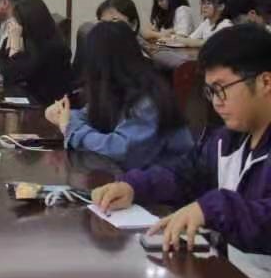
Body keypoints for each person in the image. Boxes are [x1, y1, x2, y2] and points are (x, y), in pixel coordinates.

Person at [91, 25, 271, 254]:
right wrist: (133, 186)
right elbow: (182, 176)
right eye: (210, 91)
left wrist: (213, 209)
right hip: (225, 266)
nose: (216, 102)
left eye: (221, 88)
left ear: (265, 82)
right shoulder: (226, 139)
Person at [46, 21, 193, 170]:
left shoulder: (147, 100)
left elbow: (119, 151)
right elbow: (88, 115)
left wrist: (71, 128)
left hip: (171, 180)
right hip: (140, 176)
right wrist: (64, 116)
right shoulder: (117, 89)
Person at [0, 0, 72, 104]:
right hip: (31, 97)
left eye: (17, 22)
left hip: (44, 105)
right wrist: (10, 41)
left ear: (27, 23)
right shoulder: (30, 40)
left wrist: (15, 46)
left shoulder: (50, 48)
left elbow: (11, 75)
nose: (15, 26)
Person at [168, 0, 233, 48]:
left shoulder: (226, 24)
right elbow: (191, 39)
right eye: (203, 3)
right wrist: (177, 38)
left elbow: (207, 43)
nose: (204, 6)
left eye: (208, 3)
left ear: (221, 7)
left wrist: (176, 38)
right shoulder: (206, 22)